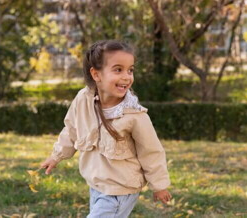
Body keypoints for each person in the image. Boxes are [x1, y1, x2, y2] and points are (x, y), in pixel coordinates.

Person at [41, 40, 171, 217]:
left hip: (120, 190)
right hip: (96, 186)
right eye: (118, 69)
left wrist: (160, 185)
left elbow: (151, 152)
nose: (126, 76)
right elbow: (71, 129)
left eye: (130, 70)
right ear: (96, 74)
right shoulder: (83, 99)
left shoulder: (134, 116)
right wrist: (56, 156)